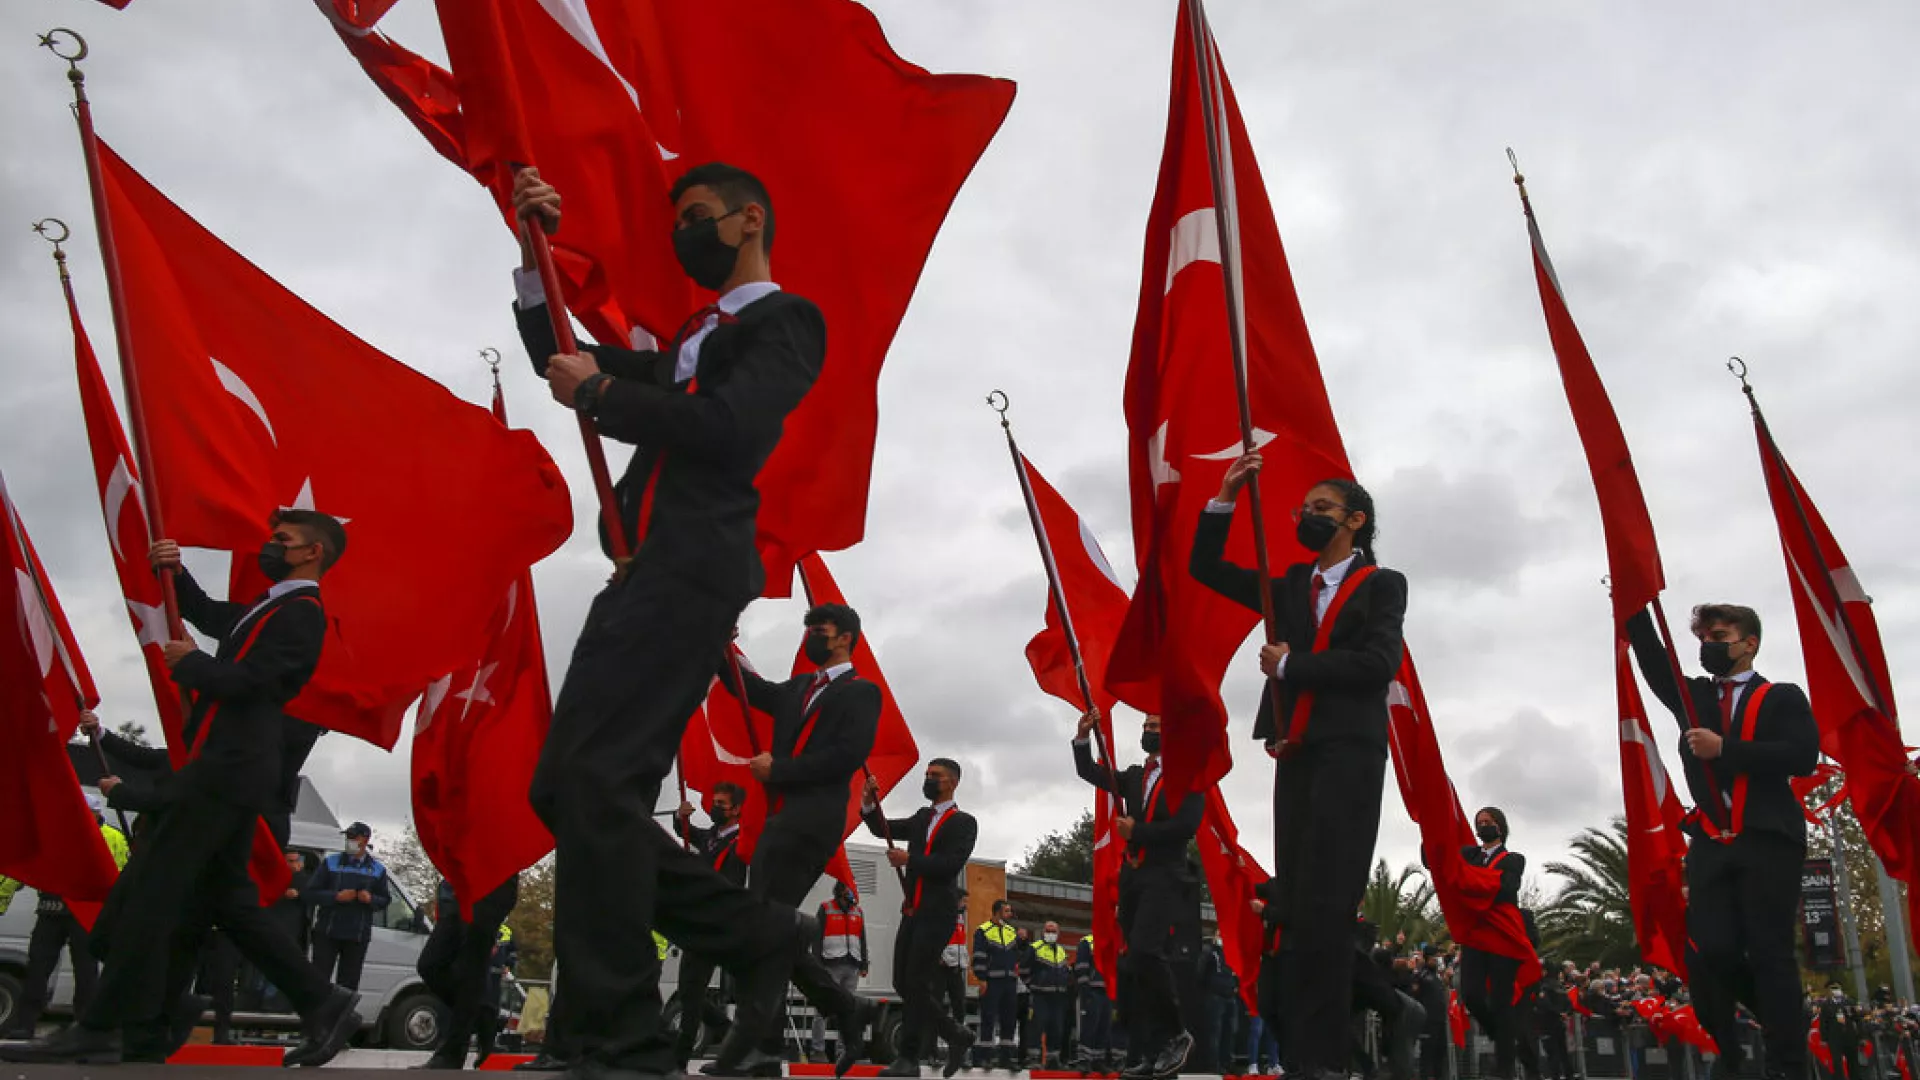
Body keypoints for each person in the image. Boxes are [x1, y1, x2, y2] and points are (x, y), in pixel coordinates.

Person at [509, 158, 844, 1080]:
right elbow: (567, 355)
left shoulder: (785, 322)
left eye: (697, 216)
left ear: (749, 220)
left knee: (600, 782)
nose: (683, 235)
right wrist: (534, 256)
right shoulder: (693, 340)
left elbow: (730, 428)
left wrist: (602, 396)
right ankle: (756, 933)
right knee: (568, 789)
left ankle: (614, 1036)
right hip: (640, 569)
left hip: (693, 569)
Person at [0, 517, 362, 1067]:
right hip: (227, 772)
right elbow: (212, 615)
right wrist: (175, 571)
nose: (270, 547)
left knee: (150, 895)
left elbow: (261, 684)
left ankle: (101, 1026)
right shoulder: (271, 606)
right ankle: (321, 1003)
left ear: (313, 552)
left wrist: (192, 665)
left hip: (226, 772)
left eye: (282, 541)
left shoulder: (303, 613)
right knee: (228, 902)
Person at [1191, 455, 1407, 1080]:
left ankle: (1326, 1058)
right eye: (1303, 510)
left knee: (1329, 905)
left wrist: (1292, 665)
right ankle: (1327, 1043)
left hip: (1350, 749)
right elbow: (1206, 567)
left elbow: (1378, 664)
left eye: (1322, 509)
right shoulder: (1289, 584)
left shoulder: (1382, 584)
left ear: (1355, 520)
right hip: (1296, 748)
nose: (1308, 518)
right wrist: (1225, 496)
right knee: (1296, 905)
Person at [1628, 603, 1819, 1080]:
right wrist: (1631, 604)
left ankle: (1788, 1065)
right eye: (1703, 639)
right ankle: (1783, 1022)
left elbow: (1802, 756)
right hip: (1712, 841)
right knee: (1712, 951)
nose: (1708, 646)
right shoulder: (1694, 697)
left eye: (1719, 636)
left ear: (1749, 643)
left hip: (1768, 836)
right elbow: (1654, 660)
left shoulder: (1782, 696)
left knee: (1770, 951)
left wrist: (1725, 749)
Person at [1072, 711, 1204, 1080]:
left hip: (1166, 875)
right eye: (1145, 726)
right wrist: (1083, 737)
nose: (1147, 731)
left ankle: (1177, 1034)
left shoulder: (1188, 777)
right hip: (1133, 877)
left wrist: (1138, 832)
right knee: (1135, 966)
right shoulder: (1134, 775)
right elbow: (1091, 772)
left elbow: (1186, 826)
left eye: (1155, 726)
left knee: (1146, 951)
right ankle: (1153, 1049)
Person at [720, 605, 880, 906]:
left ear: (845, 638)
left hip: (813, 819)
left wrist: (777, 770)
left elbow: (848, 755)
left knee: (769, 909)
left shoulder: (861, 692)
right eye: (809, 632)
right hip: (778, 814)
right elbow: (750, 689)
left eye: (819, 632)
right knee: (762, 908)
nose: (811, 639)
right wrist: (719, 644)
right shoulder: (799, 687)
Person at [864, 760, 978, 1079]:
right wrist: (869, 803)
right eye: (926, 775)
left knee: (916, 981)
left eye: (935, 776)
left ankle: (909, 1057)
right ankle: (954, 1033)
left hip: (937, 912)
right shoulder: (921, 817)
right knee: (902, 982)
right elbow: (882, 828)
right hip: (912, 909)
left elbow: (949, 865)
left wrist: (910, 859)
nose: (928, 780)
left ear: (953, 782)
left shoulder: (964, 823)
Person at [2, 796, 129, 1038]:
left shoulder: (112, 837)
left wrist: (115, 913)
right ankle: (25, 1025)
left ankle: (84, 1027)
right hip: (51, 909)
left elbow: (121, 878)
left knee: (85, 971)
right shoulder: (53, 834)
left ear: (95, 813)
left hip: (86, 912)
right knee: (38, 968)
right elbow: (23, 868)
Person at [1455, 807, 1539, 1080]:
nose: (1483, 826)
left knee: (1503, 1003)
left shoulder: (1513, 859)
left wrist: (1474, 881)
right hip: (1476, 934)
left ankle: (1505, 1070)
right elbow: (1441, 862)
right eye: (1479, 823)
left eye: (1488, 822)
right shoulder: (1469, 855)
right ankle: (1504, 1037)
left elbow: (1507, 888)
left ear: (1499, 827)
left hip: (1502, 935)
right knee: (1471, 994)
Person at [671, 785, 749, 1071]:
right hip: (698, 919)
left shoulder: (741, 842)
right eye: (714, 802)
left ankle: (680, 1058)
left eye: (721, 804)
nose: (714, 807)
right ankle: (730, 1031)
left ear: (736, 809)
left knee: (691, 989)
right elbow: (686, 832)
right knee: (688, 990)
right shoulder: (711, 837)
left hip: (717, 923)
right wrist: (680, 817)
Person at [415, 874, 521, 1069]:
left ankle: (452, 1054)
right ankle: (482, 1014)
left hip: (490, 885)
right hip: (456, 887)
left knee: (470, 971)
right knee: (430, 965)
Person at [305, 822, 393, 992]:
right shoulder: (330, 862)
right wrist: (335, 896)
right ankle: (316, 1009)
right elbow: (310, 893)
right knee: (317, 981)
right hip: (327, 933)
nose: (349, 841)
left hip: (357, 936)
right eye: (347, 837)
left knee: (348, 986)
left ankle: (342, 1010)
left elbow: (385, 900)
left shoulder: (377, 869)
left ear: (365, 840)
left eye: (353, 837)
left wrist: (370, 899)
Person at [812, 881, 869, 1065]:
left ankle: (842, 1052)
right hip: (830, 965)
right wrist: (817, 964)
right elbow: (816, 938)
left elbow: (862, 939)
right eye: (848, 889)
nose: (852, 893)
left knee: (848, 1011)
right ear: (840, 891)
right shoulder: (826, 908)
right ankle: (818, 1050)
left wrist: (864, 964)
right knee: (823, 1009)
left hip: (852, 965)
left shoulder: (858, 912)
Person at [972, 899, 1022, 1070]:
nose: (1010, 914)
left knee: (1009, 1020)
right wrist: (981, 979)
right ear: (997, 912)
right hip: (992, 981)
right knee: (988, 1018)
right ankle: (984, 1057)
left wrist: (1023, 942)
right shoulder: (983, 930)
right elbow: (979, 956)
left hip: (1010, 982)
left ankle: (1006, 1058)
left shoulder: (1011, 931)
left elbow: (1017, 955)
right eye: (1006, 911)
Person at [1024, 923, 1074, 1069]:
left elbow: (1065, 971)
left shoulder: (1061, 950)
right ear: (1043, 932)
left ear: (1058, 933)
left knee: (1056, 1028)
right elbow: (1023, 969)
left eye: (1053, 931)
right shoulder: (1035, 947)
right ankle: (1033, 1058)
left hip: (1058, 996)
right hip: (1040, 995)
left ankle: (1053, 1059)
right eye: (1048, 931)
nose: (1050, 933)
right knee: (1037, 1026)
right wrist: (1033, 985)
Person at [1074, 931, 1115, 1072]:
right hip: (1092, 990)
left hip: (1107, 992)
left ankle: (1098, 1060)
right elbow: (1081, 966)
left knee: (1104, 1027)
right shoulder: (1087, 942)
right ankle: (1084, 1060)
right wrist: (1085, 990)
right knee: (1088, 1026)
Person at [1200, 936, 1240, 1074]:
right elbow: (1201, 972)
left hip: (1230, 995)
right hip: (1215, 996)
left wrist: (1235, 986)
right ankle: (1214, 1065)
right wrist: (1210, 989)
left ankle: (1227, 1063)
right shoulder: (1210, 951)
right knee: (1215, 1032)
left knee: (1230, 1032)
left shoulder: (1232, 952)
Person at [1820, 983, 1858, 1080]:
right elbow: (1823, 1022)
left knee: (1853, 1062)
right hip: (1834, 1037)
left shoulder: (1849, 1002)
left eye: (1837, 988)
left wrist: (1860, 1035)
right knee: (1837, 1063)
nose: (1836, 991)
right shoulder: (1826, 1005)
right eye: (1833, 989)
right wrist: (1824, 1038)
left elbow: (1857, 1018)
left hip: (1849, 1036)